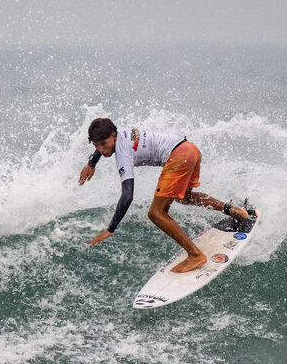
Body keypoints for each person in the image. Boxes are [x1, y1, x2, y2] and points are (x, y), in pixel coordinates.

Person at [78, 117, 250, 273]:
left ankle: (195, 255)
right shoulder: (118, 131)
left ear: (113, 136)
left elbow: (128, 195)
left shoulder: (122, 152)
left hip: (178, 158)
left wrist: (111, 229)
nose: (101, 149)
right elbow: (102, 144)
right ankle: (232, 210)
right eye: (96, 146)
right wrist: (92, 163)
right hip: (189, 150)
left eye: (103, 144)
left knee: (156, 213)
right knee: (185, 197)